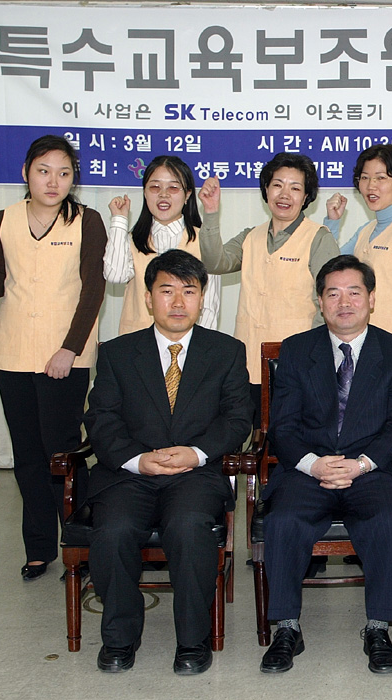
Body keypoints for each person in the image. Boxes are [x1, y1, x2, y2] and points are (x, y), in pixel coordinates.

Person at [84, 249, 252, 675]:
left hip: (195, 473)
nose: (178, 303)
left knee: (189, 526)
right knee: (115, 529)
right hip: (130, 474)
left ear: (202, 298)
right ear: (148, 298)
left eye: (189, 292)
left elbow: (237, 419)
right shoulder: (118, 353)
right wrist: (138, 460)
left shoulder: (227, 351)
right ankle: (120, 638)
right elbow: (101, 418)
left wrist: (195, 453)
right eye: (167, 291)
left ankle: (192, 641)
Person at [259, 255, 392, 675]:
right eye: (333, 293)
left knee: (388, 522)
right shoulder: (296, 351)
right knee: (283, 522)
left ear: (370, 300)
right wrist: (314, 465)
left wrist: (362, 464)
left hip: (369, 471)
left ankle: (378, 628)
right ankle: (287, 628)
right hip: (307, 470)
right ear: (319, 301)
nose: (343, 302)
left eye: (354, 292)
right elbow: (282, 426)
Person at [0, 134, 106, 582]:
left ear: (74, 179)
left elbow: (93, 291)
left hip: (65, 354)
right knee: (27, 454)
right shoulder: (1, 220)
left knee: (64, 452)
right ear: (26, 172)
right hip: (13, 353)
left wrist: (69, 349)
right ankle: (39, 547)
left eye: (64, 173)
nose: (54, 181)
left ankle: (80, 543)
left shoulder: (87, 221)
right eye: (44, 171)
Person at [198, 152, 340, 424]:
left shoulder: (319, 238)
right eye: (277, 185)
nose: (284, 194)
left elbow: (330, 302)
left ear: (307, 196)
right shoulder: (250, 235)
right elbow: (214, 262)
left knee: (288, 440)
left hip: (296, 364)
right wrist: (211, 213)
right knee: (253, 434)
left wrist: (312, 358)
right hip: (248, 358)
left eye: (295, 188)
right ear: (266, 189)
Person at [325, 144, 392, 381]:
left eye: (380, 178)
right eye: (364, 178)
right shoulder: (368, 229)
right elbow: (328, 267)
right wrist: (332, 222)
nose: (370, 186)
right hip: (362, 355)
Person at [104, 155, 221, 336]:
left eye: (173, 187)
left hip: (188, 346)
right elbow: (115, 275)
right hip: (138, 346)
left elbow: (209, 307)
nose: (163, 194)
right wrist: (119, 221)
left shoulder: (205, 240)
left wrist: (201, 352)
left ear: (187, 194)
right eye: (155, 187)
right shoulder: (132, 239)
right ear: (144, 192)